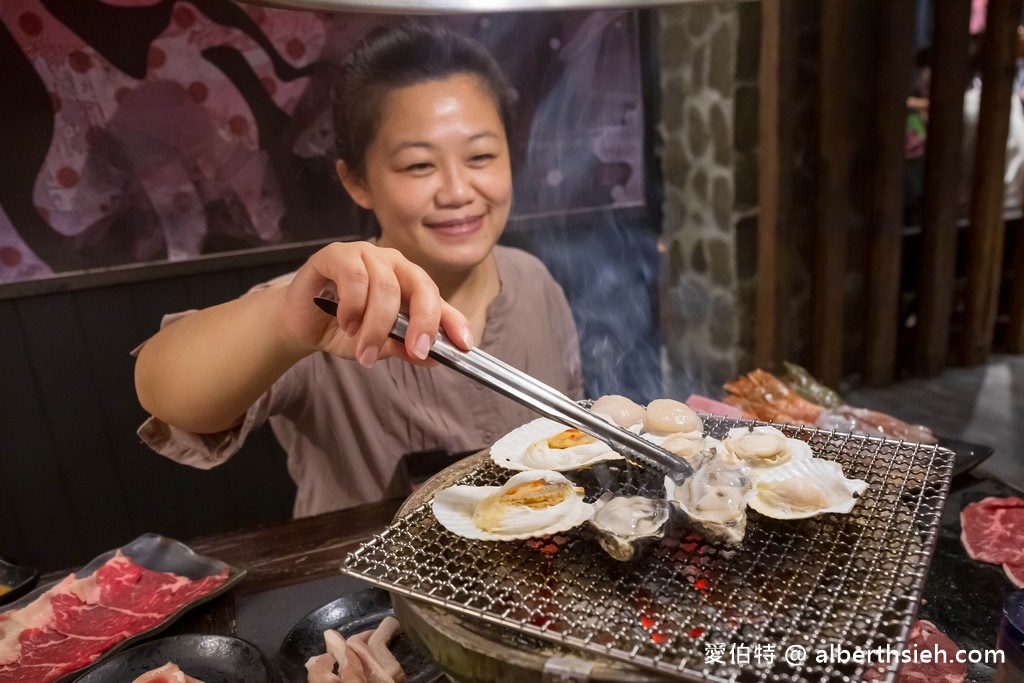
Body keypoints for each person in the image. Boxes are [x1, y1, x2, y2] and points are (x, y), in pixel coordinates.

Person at [133, 21, 584, 517]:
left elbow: (570, 437)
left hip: (531, 578)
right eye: (418, 165)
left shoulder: (533, 280)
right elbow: (166, 394)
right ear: (357, 182)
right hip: (371, 592)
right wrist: (285, 324)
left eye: (481, 156)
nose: (458, 192)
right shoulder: (328, 301)